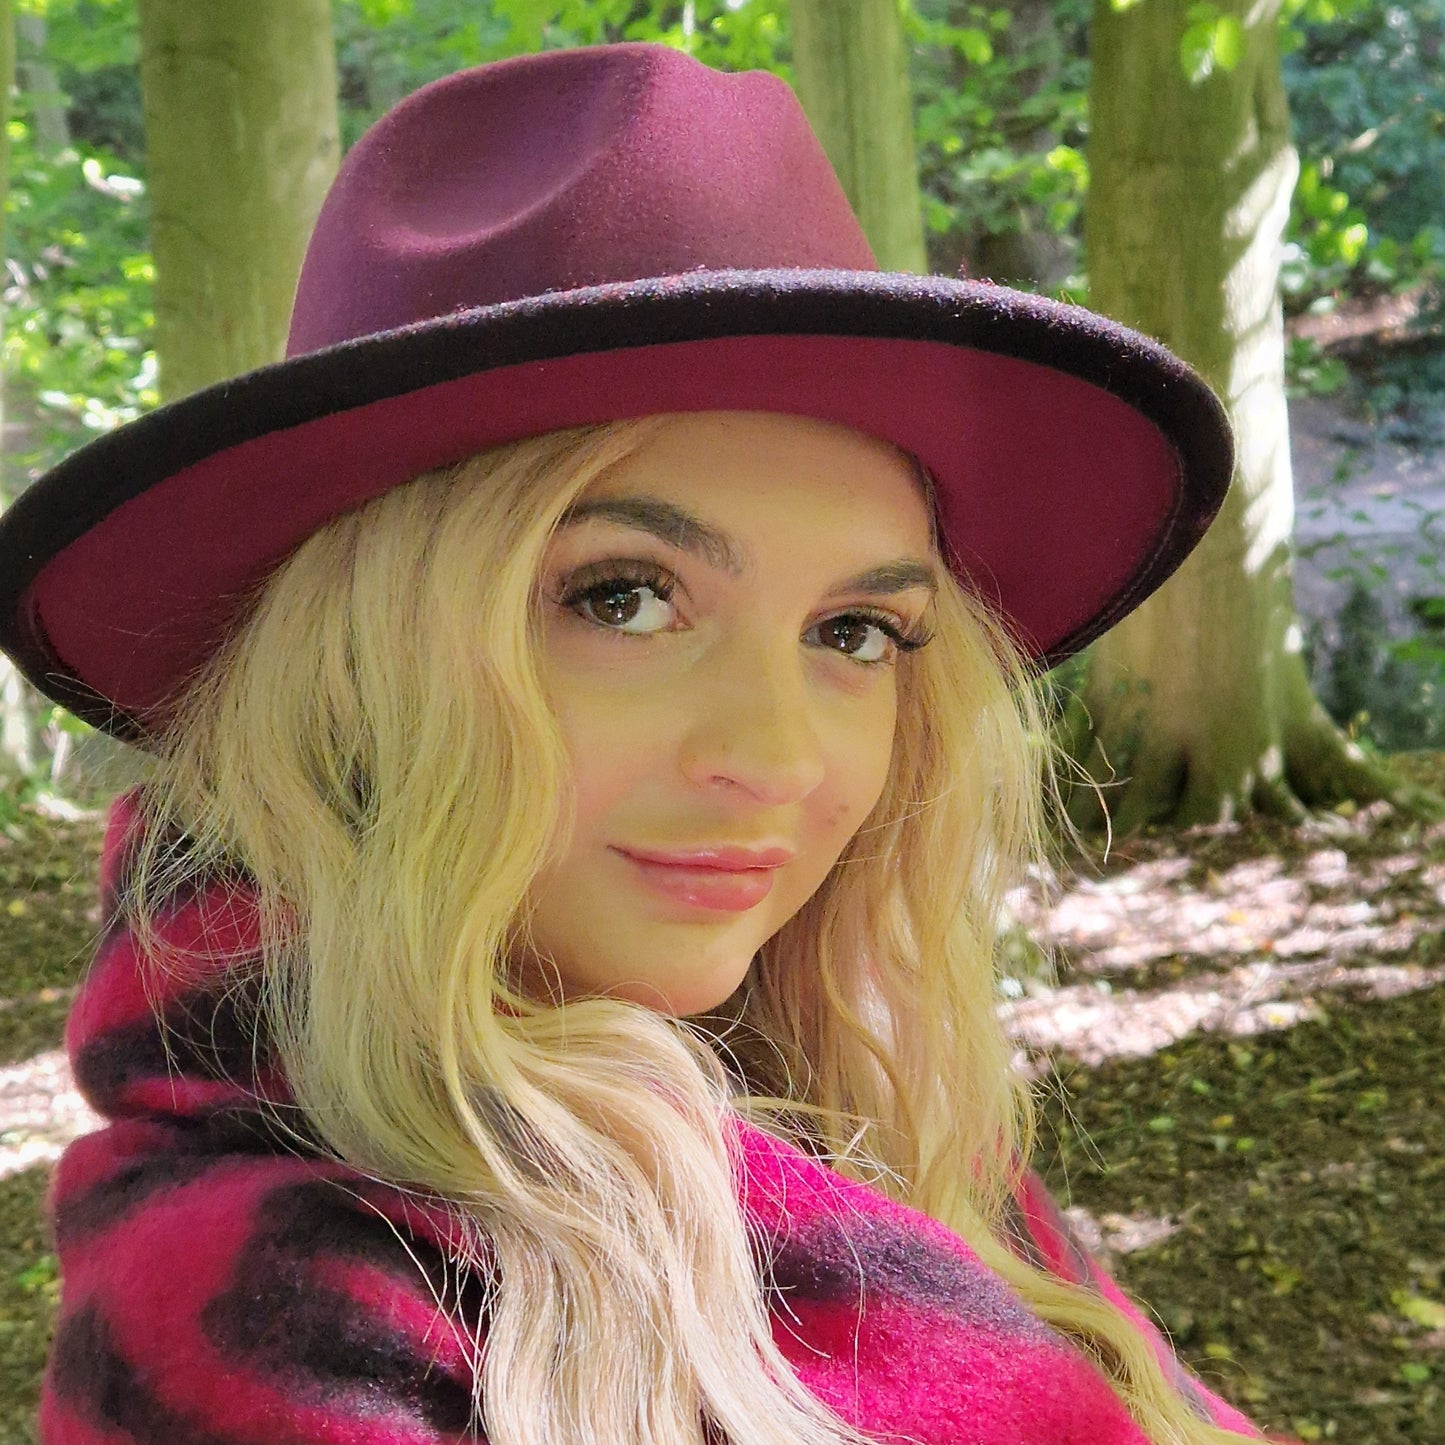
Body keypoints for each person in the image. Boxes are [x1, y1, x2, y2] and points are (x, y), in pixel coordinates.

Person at [0, 42, 1270, 1445]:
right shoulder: (282, 1317)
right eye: (624, 597)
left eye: (854, 632)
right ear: (355, 669)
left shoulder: (874, 1112)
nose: (779, 756)